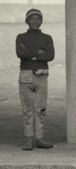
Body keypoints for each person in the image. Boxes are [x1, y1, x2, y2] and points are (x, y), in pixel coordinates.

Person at [15, 8, 55, 150]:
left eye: (38, 18)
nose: (35, 21)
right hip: (25, 75)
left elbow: (50, 55)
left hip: (42, 75)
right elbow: (20, 53)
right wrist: (39, 52)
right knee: (27, 109)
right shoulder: (20, 37)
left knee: (40, 109)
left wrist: (29, 54)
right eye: (32, 19)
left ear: (41, 21)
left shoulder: (47, 38)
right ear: (27, 21)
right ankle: (28, 140)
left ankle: (39, 139)